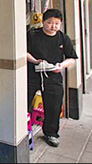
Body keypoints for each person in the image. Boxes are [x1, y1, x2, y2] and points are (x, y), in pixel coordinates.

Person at [27, 9, 78, 147]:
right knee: (24, 101)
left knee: (54, 106)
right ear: (43, 22)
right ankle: (24, 130)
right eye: (49, 22)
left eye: (56, 23)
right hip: (32, 74)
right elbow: (22, 51)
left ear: (60, 24)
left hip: (53, 76)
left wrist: (61, 66)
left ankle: (51, 133)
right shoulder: (32, 35)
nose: (53, 26)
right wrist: (35, 61)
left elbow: (72, 58)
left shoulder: (63, 38)